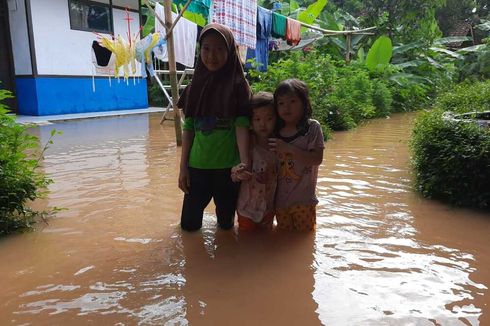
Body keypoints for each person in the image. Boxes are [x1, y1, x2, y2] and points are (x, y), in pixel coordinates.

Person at [177, 24, 251, 232]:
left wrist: (244, 163)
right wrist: (183, 168)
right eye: (206, 48)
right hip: (197, 167)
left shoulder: (238, 86)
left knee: (226, 227)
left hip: (228, 170)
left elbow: (242, 125)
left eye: (220, 49)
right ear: (199, 51)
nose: (212, 55)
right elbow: (189, 127)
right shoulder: (194, 87)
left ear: (230, 51)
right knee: (188, 227)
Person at [268, 79, 325, 231]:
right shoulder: (274, 131)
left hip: (304, 201)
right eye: (281, 103)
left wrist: (287, 148)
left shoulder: (312, 128)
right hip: (280, 201)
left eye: (292, 101)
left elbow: (316, 159)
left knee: (304, 241)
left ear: (304, 103)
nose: (286, 107)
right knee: (283, 240)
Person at [231, 92, 278, 231]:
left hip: (269, 208)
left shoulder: (278, 145)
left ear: (276, 119)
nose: (263, 124)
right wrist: (237, 173)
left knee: (267, 243)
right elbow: (233, 173)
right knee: (246, 243)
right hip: (247, 208)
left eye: (269, 119)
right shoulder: (246, 145)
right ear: (250, 122)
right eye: (257, 119)